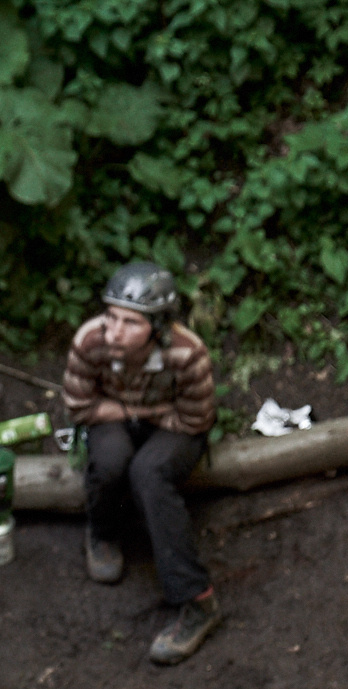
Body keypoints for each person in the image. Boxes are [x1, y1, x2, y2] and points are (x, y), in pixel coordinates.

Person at [63, 262, 220, 665]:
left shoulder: (187, 353)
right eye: (111, 317)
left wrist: (148, 422)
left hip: (174, 425)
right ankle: (103, 533)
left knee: (149, 472)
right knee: (111, 459)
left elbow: (196, 419)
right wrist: (139, 413)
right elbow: (80, 406)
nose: (114, 331)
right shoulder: (91, 341)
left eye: (131, 322)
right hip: (118, 416)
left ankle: (197, 602)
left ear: (158, 327)